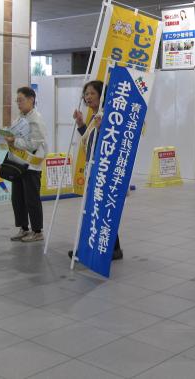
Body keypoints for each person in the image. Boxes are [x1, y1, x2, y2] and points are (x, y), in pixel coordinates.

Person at [69, 80, 123, 260]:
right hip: (94, 169)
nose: (88, 96)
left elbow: (110, 143)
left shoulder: (106, 115)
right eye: (86, 93)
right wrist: (80, 123)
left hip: (104, 171)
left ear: (101, 95)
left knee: (100, 209)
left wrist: (102, 129)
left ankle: (107, 248)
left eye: (92, 93)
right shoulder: (94, 116)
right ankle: (108, 248)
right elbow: (90, 140)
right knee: (97, 209)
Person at [4, 87, 48, 242]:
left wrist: (14, 141)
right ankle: (23, 228)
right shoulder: (19, 118)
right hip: (18, 163)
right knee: (18, 198)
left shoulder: (36, 119)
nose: (18, 103)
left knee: (31, 198)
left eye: (21, 100)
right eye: (17, 100)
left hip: (31, 165)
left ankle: (37, 231)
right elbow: (14, 135)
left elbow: (34, 143)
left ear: (31, 99)